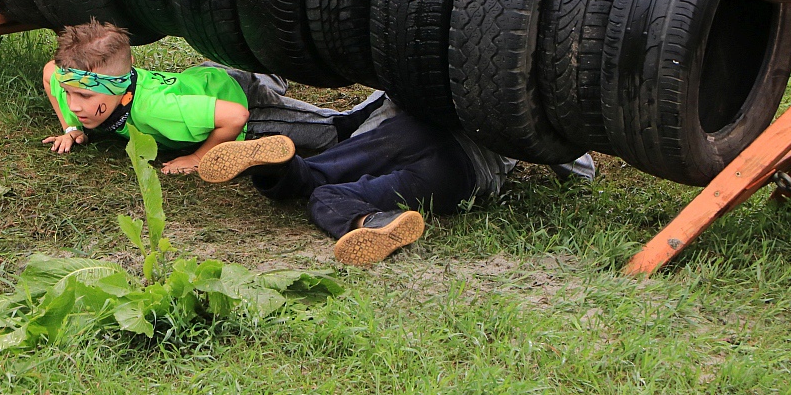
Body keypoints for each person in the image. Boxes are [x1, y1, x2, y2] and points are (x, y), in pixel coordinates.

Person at [197, 92, 595, 266]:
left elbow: (393, 93)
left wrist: (358, 141)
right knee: (331, 194)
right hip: (463, 169)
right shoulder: (518, 92)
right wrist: (572, 171)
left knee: (320, 177)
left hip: (412, 128)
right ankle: (373, 222)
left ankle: (276, 163)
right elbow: (571, 160)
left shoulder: (433, 55)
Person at [42, 21, 377, 174]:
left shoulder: (156, 109)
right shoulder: (73, 81)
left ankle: (390, 101)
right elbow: (49, 73)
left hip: (241, 105)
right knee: (260, 73)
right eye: (70, 94)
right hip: (207, 81)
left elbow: (234, 117)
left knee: (334, 132)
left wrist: (200, 157)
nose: (73, 104)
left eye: (84, 97)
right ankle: (268, 64)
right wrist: (72, 128)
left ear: (117, 87)